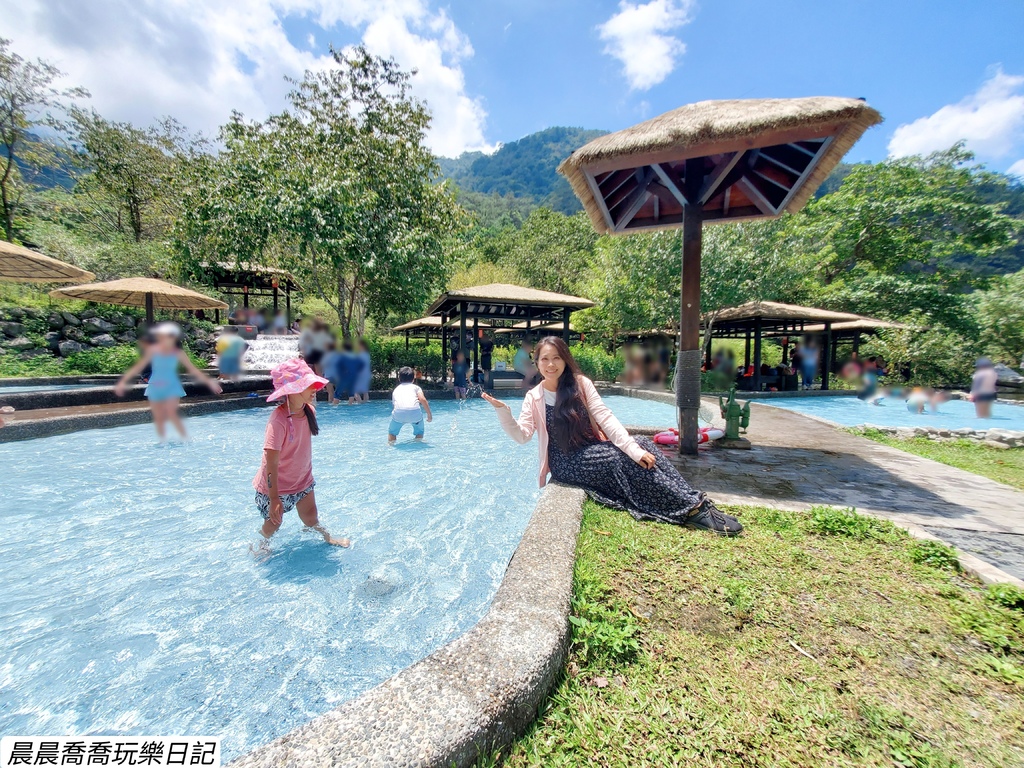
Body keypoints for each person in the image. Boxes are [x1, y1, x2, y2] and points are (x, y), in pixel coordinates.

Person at [481, 336, 741, 536]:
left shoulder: (581, 384)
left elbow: (606, 418)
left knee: (642, 443)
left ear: (565, 359)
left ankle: (693, 500)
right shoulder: (533, 397)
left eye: (556, 358)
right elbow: (522, 436)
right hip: (565, 462)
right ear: (537, 362)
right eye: (545, 359)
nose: (551, 365)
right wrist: (504, 413)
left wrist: (633, 449)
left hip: (592, 448)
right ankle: (690, 511)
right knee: (616, 460)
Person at [252, 358, 349, 552]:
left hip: (302, 480)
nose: (314, 388)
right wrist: (274, 499)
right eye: (308, 384)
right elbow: (270, 463)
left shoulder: (308, 411)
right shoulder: (278, 421)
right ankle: (259, 546)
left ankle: (327, 537)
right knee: (273, 525)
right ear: (292, 390)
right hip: (276, 488)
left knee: (311, 516)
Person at [114, 322, 222, 440]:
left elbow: (193, 370)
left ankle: (184, 438)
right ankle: (163, 442)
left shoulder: (178, 353)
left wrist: (210, 383)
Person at [389, 366, 432, 443]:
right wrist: (429, 414)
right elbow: (422, 399)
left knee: (392, 433)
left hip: (399, 413)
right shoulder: (416, 388)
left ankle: (390, 445)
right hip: (415, 413)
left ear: (399, 379)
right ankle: (418, 444)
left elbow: (394, 405)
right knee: (419, 432)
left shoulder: (396, 389)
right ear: (413, 379)